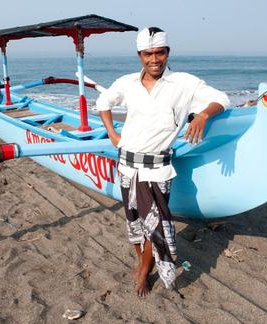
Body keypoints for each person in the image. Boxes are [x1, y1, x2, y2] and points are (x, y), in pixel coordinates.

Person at [95, 27, 230, 296]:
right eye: (148, 54)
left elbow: (222, 99)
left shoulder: (184, 83)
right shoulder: (127, 83)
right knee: (134, 223)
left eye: (160, 53)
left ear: (168, 53)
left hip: (157, 170)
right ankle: (141, 261)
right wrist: (112, 133)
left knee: (154, 226)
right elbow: (103, 101)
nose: (154, 59)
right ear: (139, 55)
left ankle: (145, 272)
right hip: (126, 166)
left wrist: (203, 115)